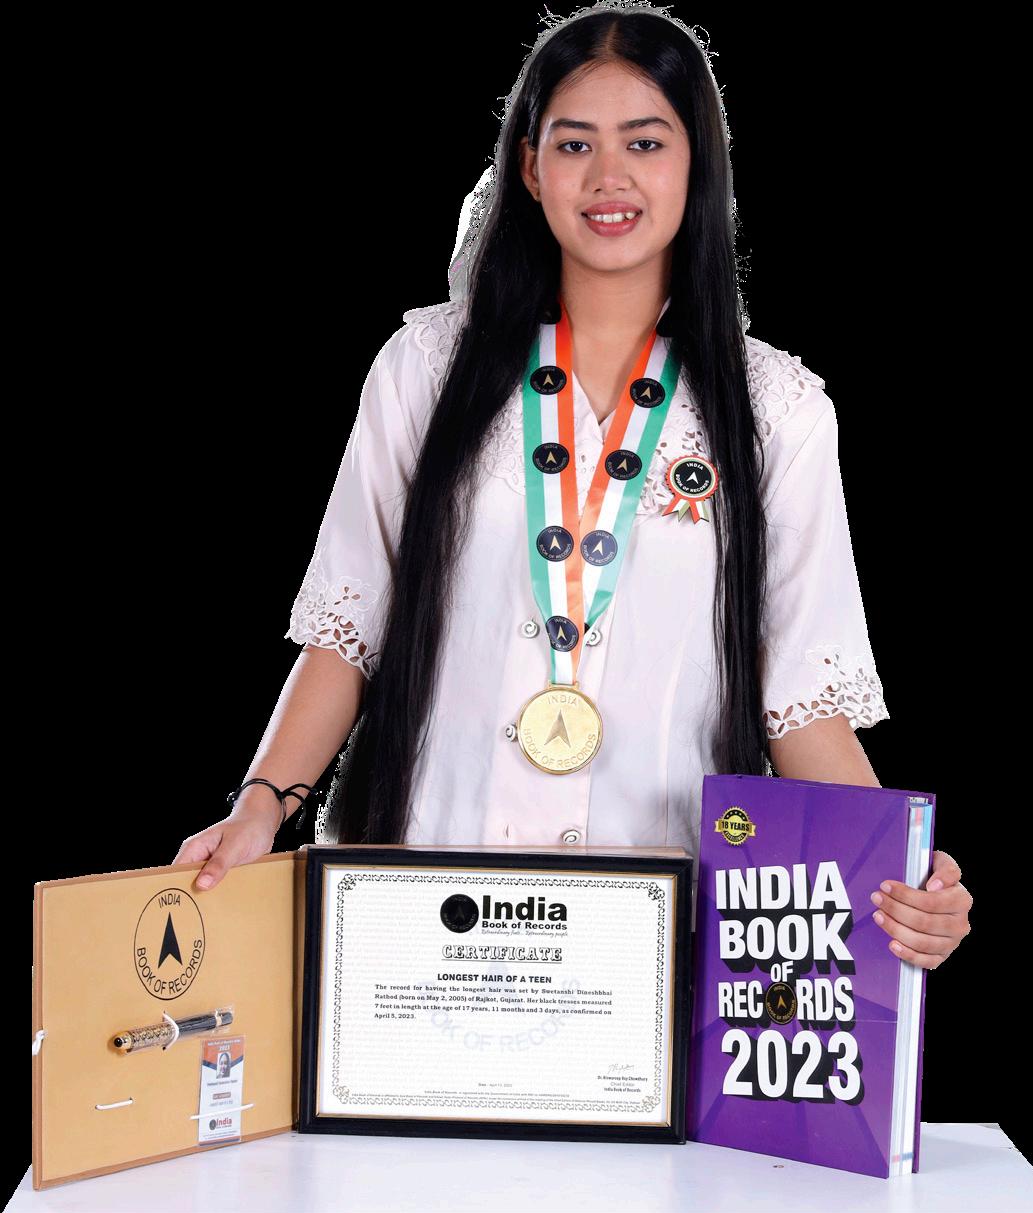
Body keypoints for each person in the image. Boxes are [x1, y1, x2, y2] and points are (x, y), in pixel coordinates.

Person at [173, 0, 971, 971]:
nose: (608, 177)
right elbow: (347, 634)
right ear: (528, 165)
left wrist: (901, 878)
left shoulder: (776, 409)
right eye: (574, 143)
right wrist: (260, 807)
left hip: (657, 934)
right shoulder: (424, 369)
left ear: (698, 164)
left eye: (645, 141)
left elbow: (799, 702)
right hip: (421, 909)